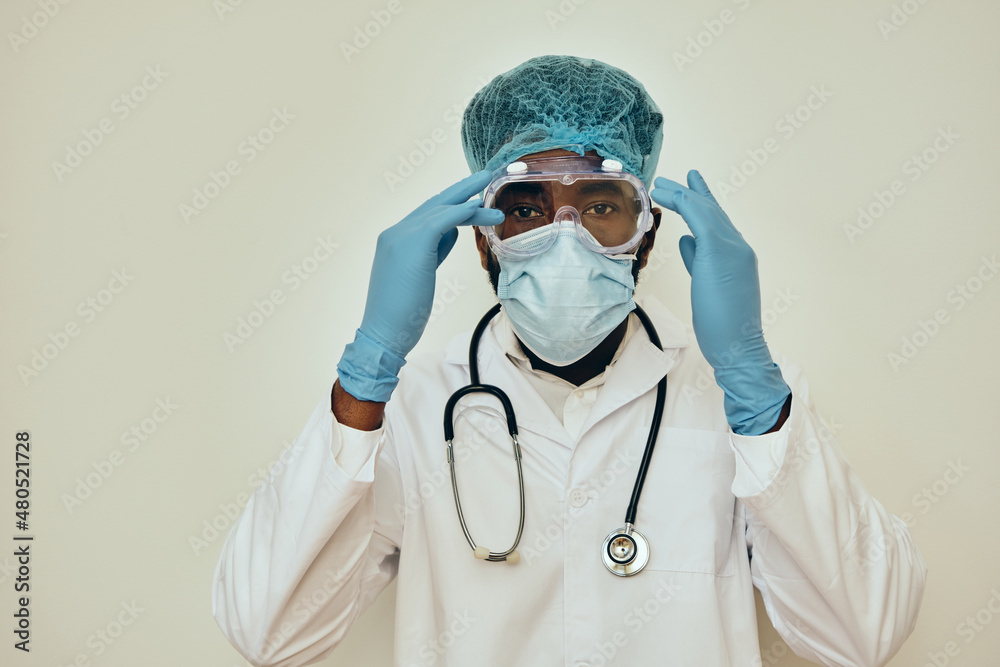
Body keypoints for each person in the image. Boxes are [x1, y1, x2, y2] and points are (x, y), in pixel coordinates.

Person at [212, 55, 927, 667]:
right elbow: (267, 629)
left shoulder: (744, 406)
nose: (564, 236)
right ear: (480, 238)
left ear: (644, 235)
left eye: (599, 205)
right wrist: (366, 370)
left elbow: (865, 632)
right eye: (524, 207)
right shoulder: (412, 406)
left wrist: (749, 374)